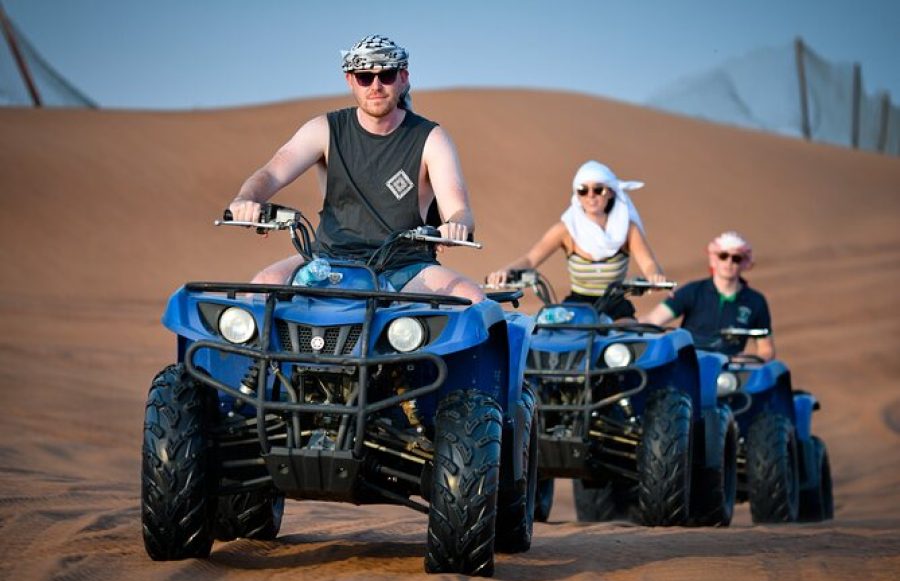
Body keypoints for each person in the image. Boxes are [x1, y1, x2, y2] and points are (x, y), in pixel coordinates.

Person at [227, 34, 484, 302]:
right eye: (364, 77)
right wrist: (245, 199)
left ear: (403, 78)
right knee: (259, 288)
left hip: (405, 268)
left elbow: (460, 209)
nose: (375, 86)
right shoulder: (325, 130)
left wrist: (454, 226)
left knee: (470, 298)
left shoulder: (431, 138)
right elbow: (271, 173)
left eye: (386, 75)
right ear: (350, 80)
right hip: (327, 260)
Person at [486, 160, 667, 320]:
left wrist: (654, 276)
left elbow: (648, 263)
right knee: (551, 341)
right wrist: (505, 271)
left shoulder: (628, 229)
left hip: (616, 306)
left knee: (630, 344)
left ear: (611, 192)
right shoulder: (566, 229)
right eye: (583, 190)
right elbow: (531, 259)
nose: (590, 196)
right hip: (577, 304)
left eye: (598, 189)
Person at [642, 231, 776, 360]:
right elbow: (653, 320)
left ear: (744, 263)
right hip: (690, 364)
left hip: (728, 373)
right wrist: (630, 327)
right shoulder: (693, 291)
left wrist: (749, 361)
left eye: (736, 258)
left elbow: (766, 349)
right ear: (713, 259)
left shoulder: (755, 301)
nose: (729, 262)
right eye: (723, 256)